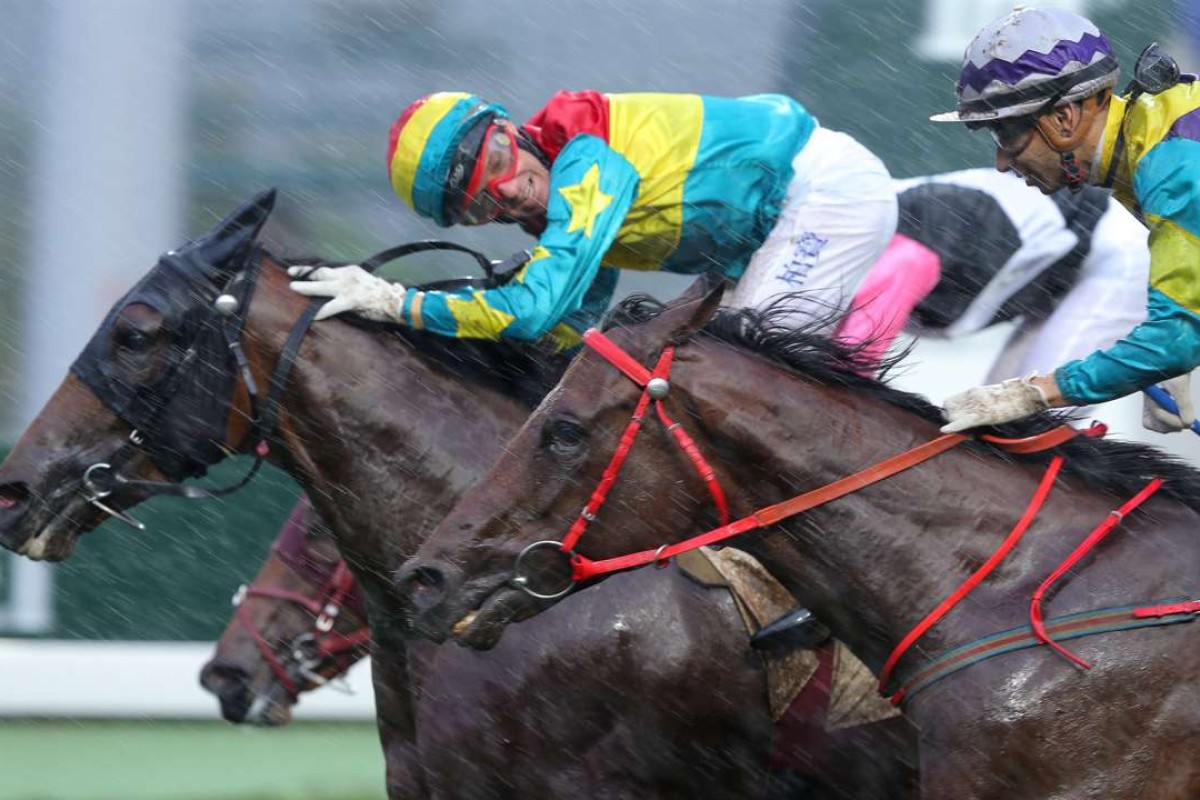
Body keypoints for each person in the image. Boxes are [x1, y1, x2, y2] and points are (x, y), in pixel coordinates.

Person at [288, 90, 897, 353]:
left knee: (745, 373)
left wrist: (399, 304)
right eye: (481, 205)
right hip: (775, 228)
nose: (510, 191)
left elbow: (533, 311)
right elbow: (570, 326)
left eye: (498, 161)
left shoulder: (585, 158)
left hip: (824, 195)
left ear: (510, 130)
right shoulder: (566, 207)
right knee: (693, 374)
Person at [928, 6, 1200, 434]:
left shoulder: (1169, 167)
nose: (1002, 162)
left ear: (1064, 119)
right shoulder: (1151, 135)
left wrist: (1036, 393)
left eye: (1006, 134)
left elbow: (1175, 342)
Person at [834, 168, 1148, 407]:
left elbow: (848, 374)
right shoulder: (861, 216)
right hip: (1052, 255)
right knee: (992, 421)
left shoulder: (903, 239)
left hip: (1115, 254)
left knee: (1028, 420)